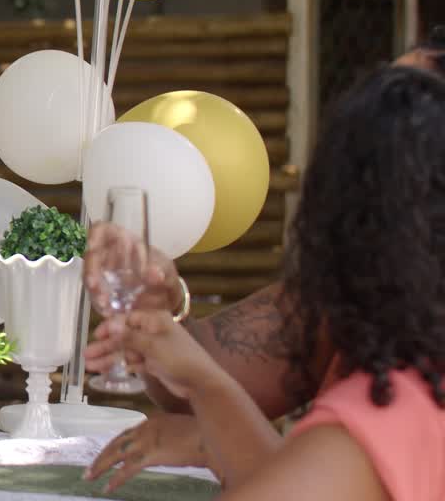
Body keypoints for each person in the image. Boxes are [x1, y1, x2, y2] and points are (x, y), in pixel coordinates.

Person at [81, 25, 445, 490]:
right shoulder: (367, 314)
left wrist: (207, 417)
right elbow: (200, 380)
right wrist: (159, 308)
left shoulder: (385, 414)